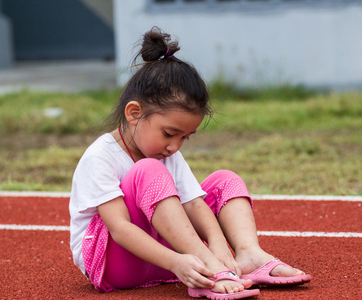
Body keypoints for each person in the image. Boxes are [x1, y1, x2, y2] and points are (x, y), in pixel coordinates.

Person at [69, 27, 311, 299]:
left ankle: (248, 257)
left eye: (185, 137)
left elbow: (194, 203)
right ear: (134, 113)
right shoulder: (100, 156)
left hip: (174, 262)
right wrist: (180, 261)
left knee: (224, 180)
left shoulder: (167, 153)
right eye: (169, 134)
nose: (175, 146)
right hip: (115, 264)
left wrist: (219, 246)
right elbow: (120, 229)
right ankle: (205, 266)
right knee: (148, 171)